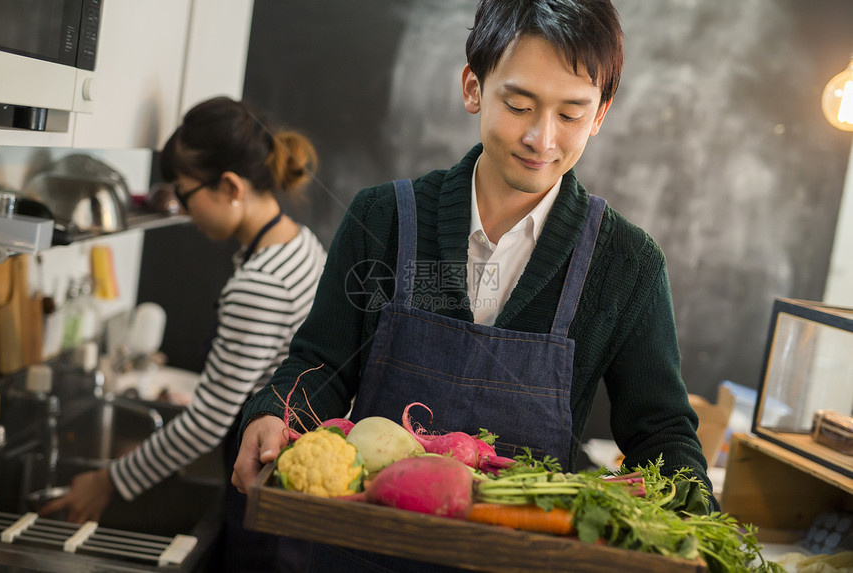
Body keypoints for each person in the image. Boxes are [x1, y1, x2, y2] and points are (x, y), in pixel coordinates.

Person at [234, 0, 719, 569]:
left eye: (571, 114)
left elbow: (660, 428)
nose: (541, 138)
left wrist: (699, 526)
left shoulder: (628, 265)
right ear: (473, 88)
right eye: (519, 105)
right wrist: (275, 411)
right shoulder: (382, 219)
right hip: (359, 551)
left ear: (601, 114)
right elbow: (319, 366)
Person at [41, 96, 327, 572]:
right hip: (292, 479)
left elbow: (209, 421)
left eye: (185, 192)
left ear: (231, 187)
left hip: (268, 486)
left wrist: (107, 481)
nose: (182, 208)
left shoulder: (259, 284)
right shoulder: (297, 242)